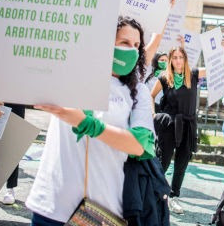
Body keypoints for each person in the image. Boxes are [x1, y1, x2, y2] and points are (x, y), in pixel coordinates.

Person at [26, 16, 156, 225]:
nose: (131, 50)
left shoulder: (138, 92)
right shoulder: (68, 74)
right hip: (50, 204)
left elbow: (140, 145)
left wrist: (89, 125)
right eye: (124, 42)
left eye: (136, 45)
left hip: (102, 210)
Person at [151, 46, 207, 215]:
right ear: (170, 60)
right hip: (169, 125)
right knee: (163, 161)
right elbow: (150, 95)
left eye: (180, 57)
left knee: (182, 164)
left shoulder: (193, 74)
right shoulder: (164, 78)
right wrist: (154, 114)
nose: (177, 60)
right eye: (174, 57)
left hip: (188, 126)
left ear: (185, 59)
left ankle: (173, 197)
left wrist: (221, 48)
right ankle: (156, 195)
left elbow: (216, 65)